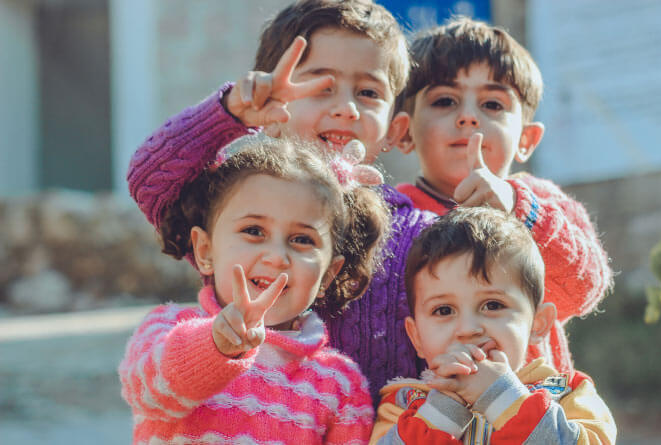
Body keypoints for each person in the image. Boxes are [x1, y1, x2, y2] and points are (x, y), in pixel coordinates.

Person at [127, 0, 435, 401]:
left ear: (396, 127)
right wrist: (232, 113)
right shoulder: (241, 200)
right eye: (322, 87)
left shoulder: (420, 233)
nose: (346, 108)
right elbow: (153, 178)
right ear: (273, 111)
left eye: (368, 92)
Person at [120, 137, 390, 443]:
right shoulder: (166, 328)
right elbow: (147, 392)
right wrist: (217, 344)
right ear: (205, 250)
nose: (276, 256)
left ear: (328, 275)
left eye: (302, 239)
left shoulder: (339, 383)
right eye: (253, 231)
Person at [393, 17, 613, 373]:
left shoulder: (542, 202)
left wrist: (517, 208)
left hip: (535, 411)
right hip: (437, 413)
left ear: (527, 139)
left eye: (492, 105)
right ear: (403, 132)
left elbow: (582, 289)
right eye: (445, 101)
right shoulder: (392, 218)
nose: (467, 117)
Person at [371, 207, 617, 444]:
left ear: (538, 324)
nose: (468, 329)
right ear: (416, 338)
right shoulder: (404, 403)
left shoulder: (568, 394)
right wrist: (443, 410)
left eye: (492, 305)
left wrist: (501, 396)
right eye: (444, 310)